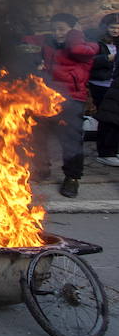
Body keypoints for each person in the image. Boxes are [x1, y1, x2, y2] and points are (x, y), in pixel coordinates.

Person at [26, 13, 98, 198]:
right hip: (45, 97)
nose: (57, 33)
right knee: (38, 135)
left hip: (72, 100)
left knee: (71, 141)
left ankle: (72, 178)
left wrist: (73, 34)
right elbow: (25, 40)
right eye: (54, 28)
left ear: (74, 29)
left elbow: (77, 50)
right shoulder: (47, 43)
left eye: (62, 29)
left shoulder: (88, 45)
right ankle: (42, 169)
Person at [88, 13, 119, 167]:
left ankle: (114, 149)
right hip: (101, 85)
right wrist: (107, 58)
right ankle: (105, 152)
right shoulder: (97, 43)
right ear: (105, 27)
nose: (116, 30)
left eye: (118, 27)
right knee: (107, 119)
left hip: (115, 86)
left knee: (115, 119)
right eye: (112, 27)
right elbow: (88, 60)